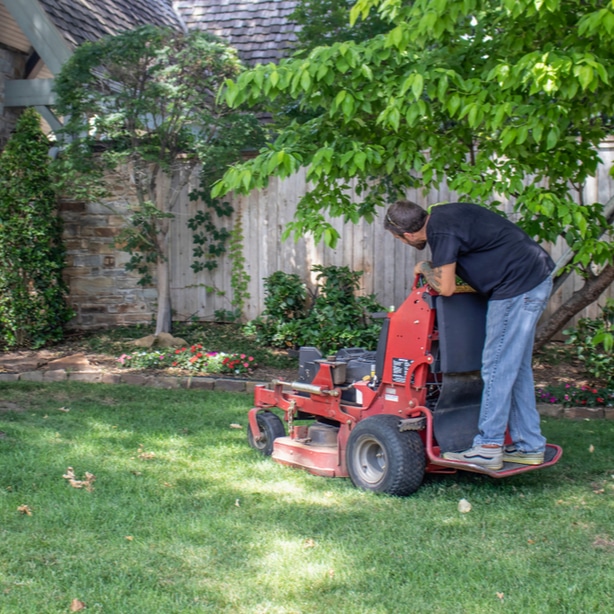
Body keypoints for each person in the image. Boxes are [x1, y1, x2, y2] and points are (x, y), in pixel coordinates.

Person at [384, 200, 554, 469]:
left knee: (496, 366)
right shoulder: (444, 216)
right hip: (533, 278)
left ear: (407, 234)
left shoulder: (439, 232)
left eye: (398, 239)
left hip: (516, 288)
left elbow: (447, 286)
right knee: (516, 369)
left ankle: (488, 446)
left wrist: (424, 268)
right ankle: (528, 445)